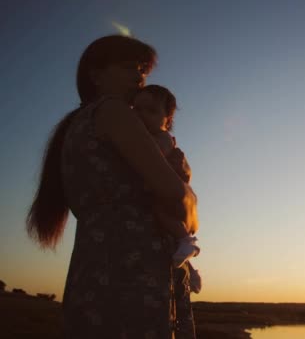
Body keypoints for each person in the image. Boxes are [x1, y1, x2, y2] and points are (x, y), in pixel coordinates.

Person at [26, 35, 198, 338]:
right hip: (133, 271)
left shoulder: (78, 123)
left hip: (95, 266)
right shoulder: (113, 112)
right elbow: (174, 194)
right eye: (128, 67)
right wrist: (189, 197)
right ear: (96, 74)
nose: (139, 77)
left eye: (143, 69)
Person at [133, 84, 202, 293]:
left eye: (152, 110)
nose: (143, 115)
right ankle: (189, 264)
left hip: (168, 193)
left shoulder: (160, 138)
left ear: (167, 120)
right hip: (170, 192)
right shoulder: (148, 136)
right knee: (165, 229)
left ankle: (186, 241)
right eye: (137, 109)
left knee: (161, 213)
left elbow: (152, 159)